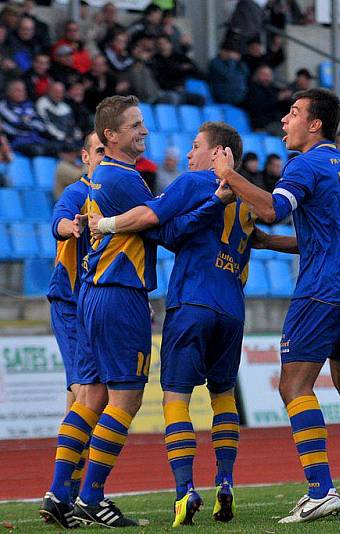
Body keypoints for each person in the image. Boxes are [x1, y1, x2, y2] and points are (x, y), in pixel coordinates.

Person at [211, 88, 340, 523]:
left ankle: (320, 490)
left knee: (294, 386)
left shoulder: (305, 163)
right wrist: (268, 245)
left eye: (294, 113)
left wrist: (232, 175)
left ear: (314, 124)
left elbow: (272, 209)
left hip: (324, 285)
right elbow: (320, 234)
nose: (285, 120)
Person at [88, 121, 297, 527]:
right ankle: (225, 482)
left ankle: (184, 489)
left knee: (176, 398)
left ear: (217, 152)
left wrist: (107, 224)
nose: (188, 154)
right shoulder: (248, 195)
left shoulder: (195, 182)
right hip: (232, 309)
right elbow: (267, 238)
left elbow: (154, 221)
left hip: (192, 303)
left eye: (196, 146)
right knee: (223, 398)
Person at [66, 96, 154, 527]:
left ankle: (59, 492)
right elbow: (164, 221)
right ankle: (92, 497)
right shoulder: (125, 179)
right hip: (120, 294)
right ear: (111, 136)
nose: (144, 130)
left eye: (143, 123)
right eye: (135, 124)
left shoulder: (102, 177)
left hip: (93, 292)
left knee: (92, 397)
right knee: (126, 400)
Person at [38, 132, 105, 529]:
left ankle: (66, 493)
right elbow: (57, 219)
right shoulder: (79, 192)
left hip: (98, 306)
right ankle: (64, 492)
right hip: (70, 303)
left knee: (79, 395)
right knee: (87, 391)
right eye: (97, 151)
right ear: (84, 157)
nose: (102, 157)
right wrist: (70, 228)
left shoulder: (115, 194)